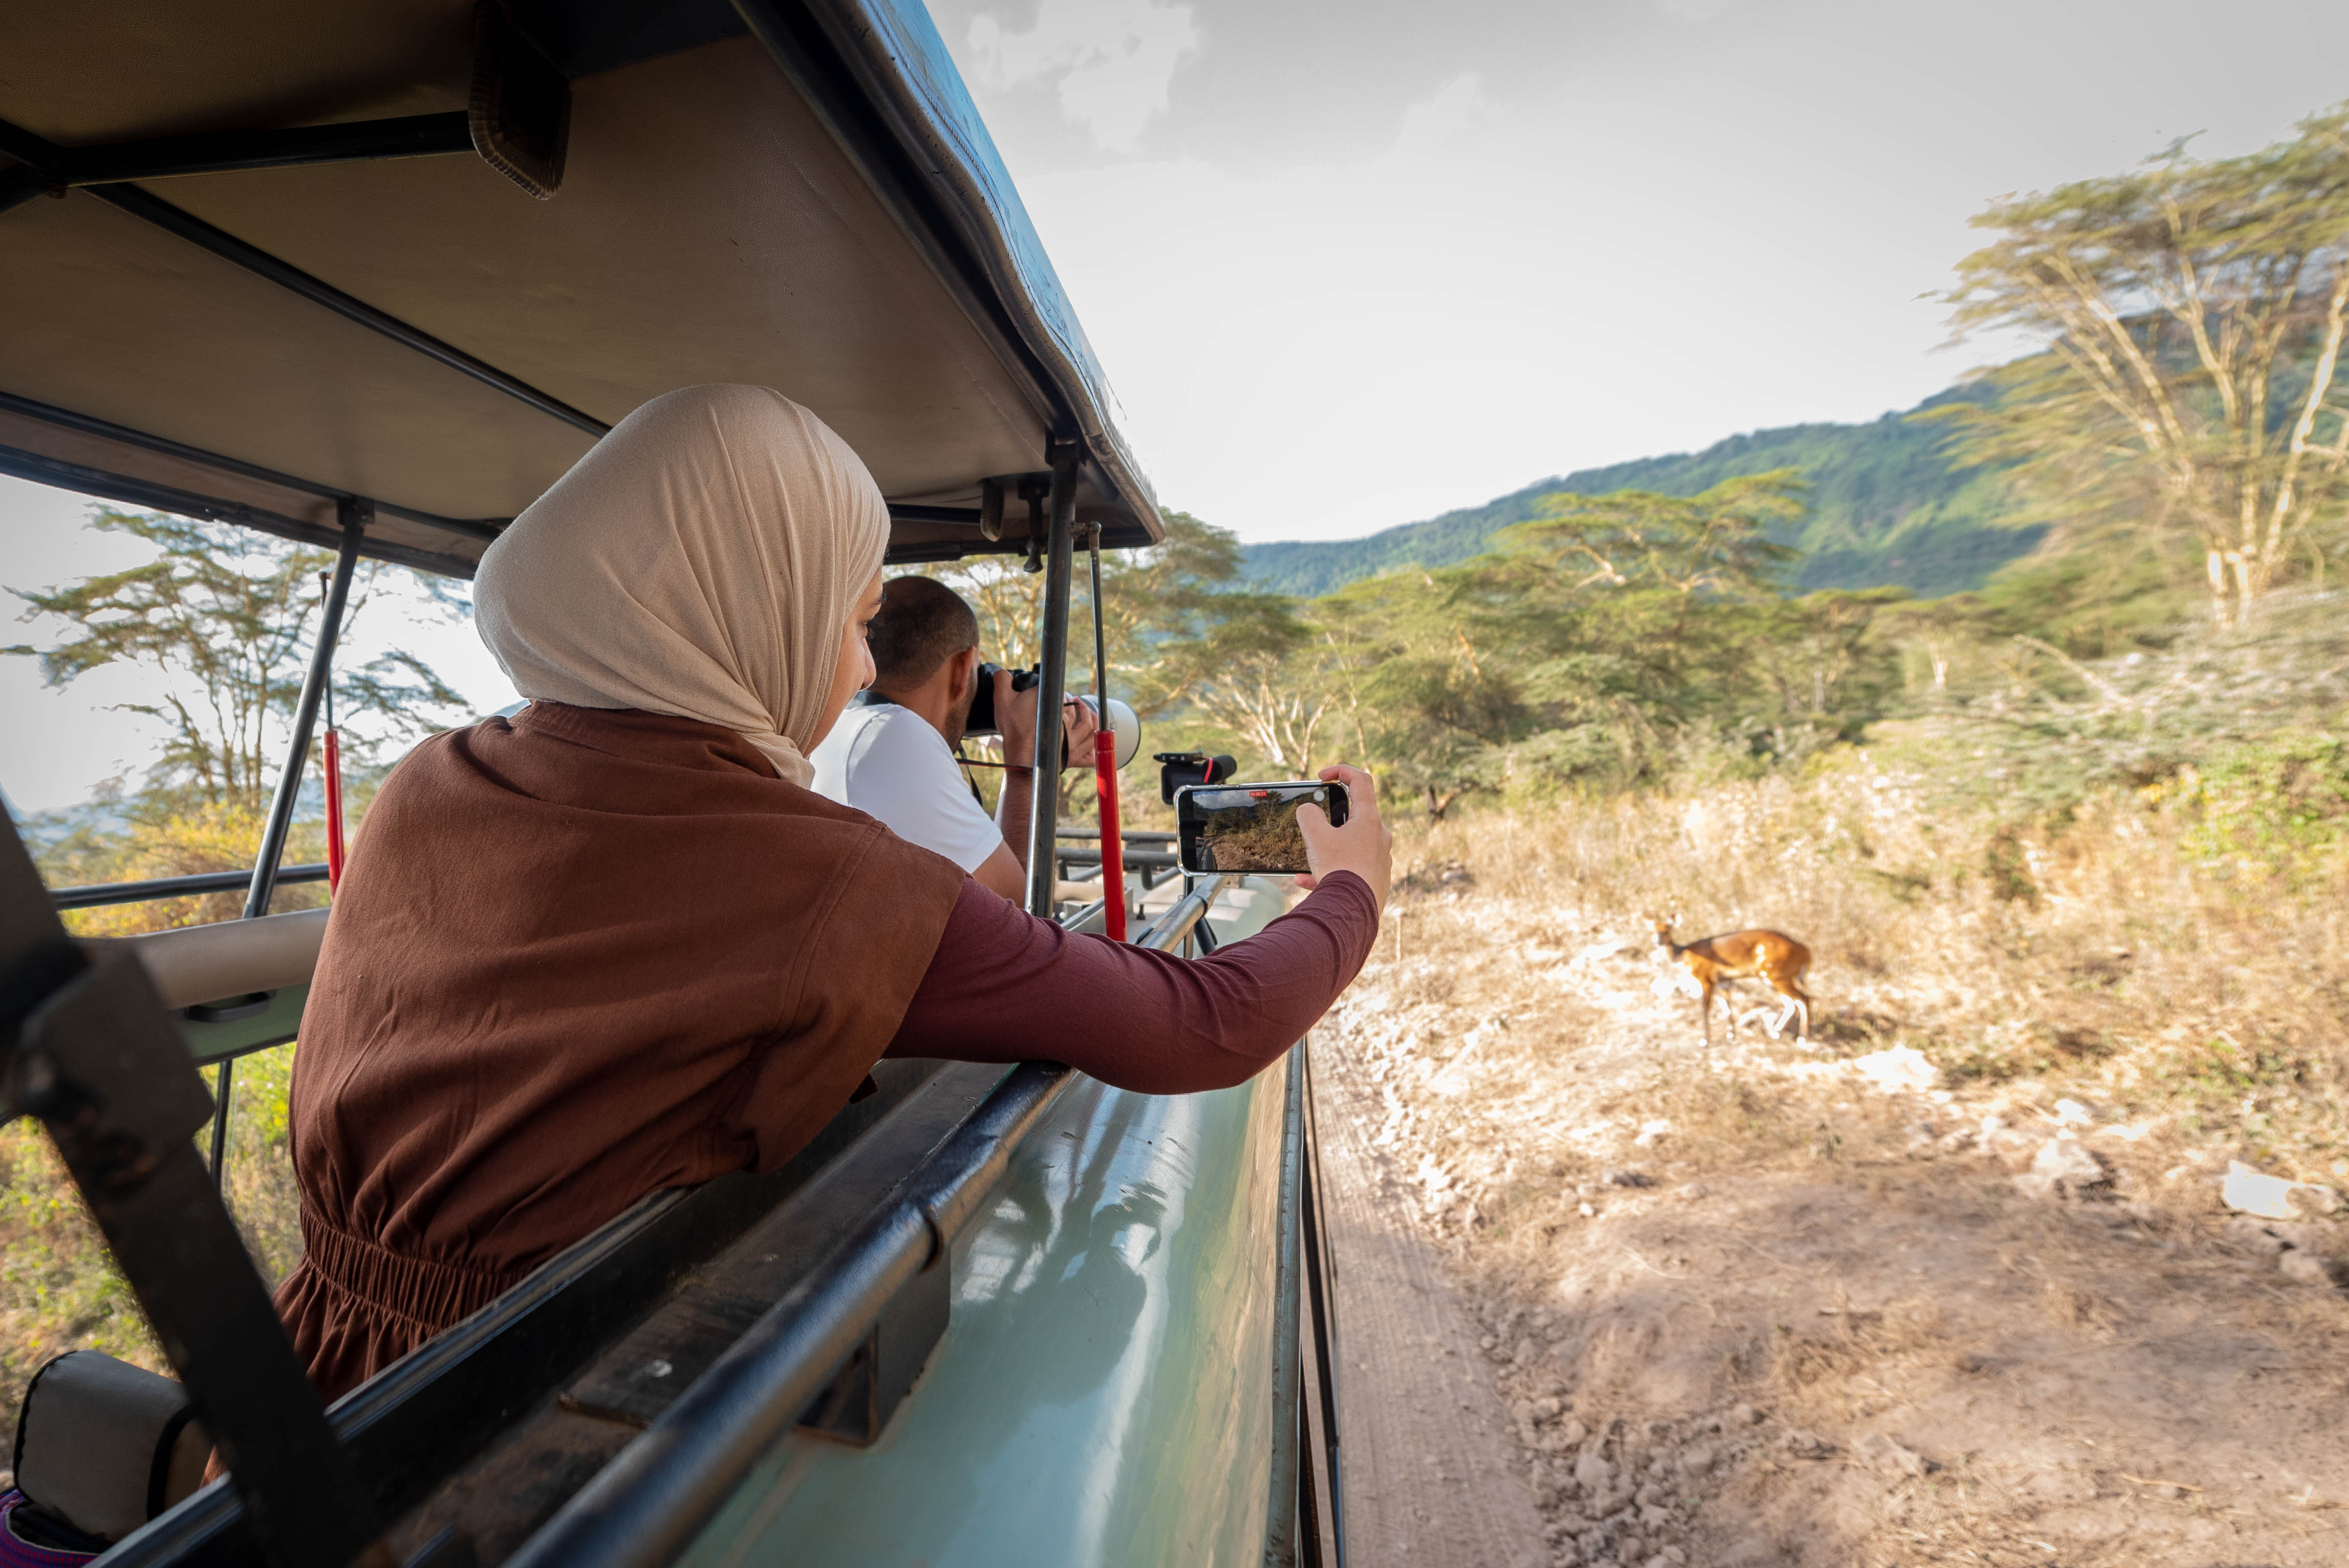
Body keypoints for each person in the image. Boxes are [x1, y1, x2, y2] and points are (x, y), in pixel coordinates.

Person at [272, 385, 1389, 1405]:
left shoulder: (430, 778)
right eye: (850, 624)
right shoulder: (816, 875)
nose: (860, 670)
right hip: (519, 1441)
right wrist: (1349, 894)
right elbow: (1204, 1025)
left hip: (297, 1408)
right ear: (749, 605)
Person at [809, 576, 1094, 900]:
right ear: (962, 667)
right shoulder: (894, 736)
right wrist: (1028, 760)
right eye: (978, 676)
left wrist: (1021, 756)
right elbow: (1022, 907)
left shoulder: (840, 726)